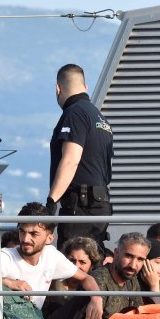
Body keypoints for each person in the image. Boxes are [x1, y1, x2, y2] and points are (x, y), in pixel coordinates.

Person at [0, 202, 103, 319]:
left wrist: (97, 298)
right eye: (22, 231)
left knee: (88, 300)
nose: (25, 239)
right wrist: (7, 282)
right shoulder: (7, 257)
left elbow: (86, 278)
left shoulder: (51, 255)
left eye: (34, 234)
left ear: (49, 238)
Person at [46, 64, 114, 250]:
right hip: (100, 205)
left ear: (58, 89)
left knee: (72, 260)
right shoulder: (100, 118)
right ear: (85, 87)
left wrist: (51, 202)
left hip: (81, 207)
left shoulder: (74, 113)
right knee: (91, 260)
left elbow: (71, 160)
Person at [42, 236, 102, 319]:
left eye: (82, 262)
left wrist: (96, 298)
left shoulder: (92, 291)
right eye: (71, 260)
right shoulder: (50, 282)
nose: (76, 266)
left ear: (91, 265)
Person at [138, 238, 160, 305]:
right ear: (144, 262)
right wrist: (154, 286)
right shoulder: (133, 284)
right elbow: (155, 311)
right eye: (158, 262)